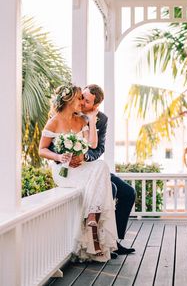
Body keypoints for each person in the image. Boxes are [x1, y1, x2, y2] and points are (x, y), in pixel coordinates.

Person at [39, 84, 117, 262]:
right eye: (79, 98)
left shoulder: (81, 120)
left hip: (80, 168)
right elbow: (42, 150)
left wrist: (91, 119)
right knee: (100, 175)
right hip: (63, 170)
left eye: (84, 99)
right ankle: (93, 230)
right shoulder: (54, 121)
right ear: (69, 100)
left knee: (102, 167)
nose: (81, 102)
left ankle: (92, 218)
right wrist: (60, 156)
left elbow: (93, 145)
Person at [70, 84, 136, 256]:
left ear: (95, 106)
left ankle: (114, 240)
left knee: (129, 192)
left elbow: (99, 149)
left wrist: (85, 157)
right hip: (77, 171)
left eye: (87, 101)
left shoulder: (102, 119)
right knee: (111, 189)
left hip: (92, 166)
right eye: (82, 97)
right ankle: (101, 242)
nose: (82, 102)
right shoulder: (71, 112)